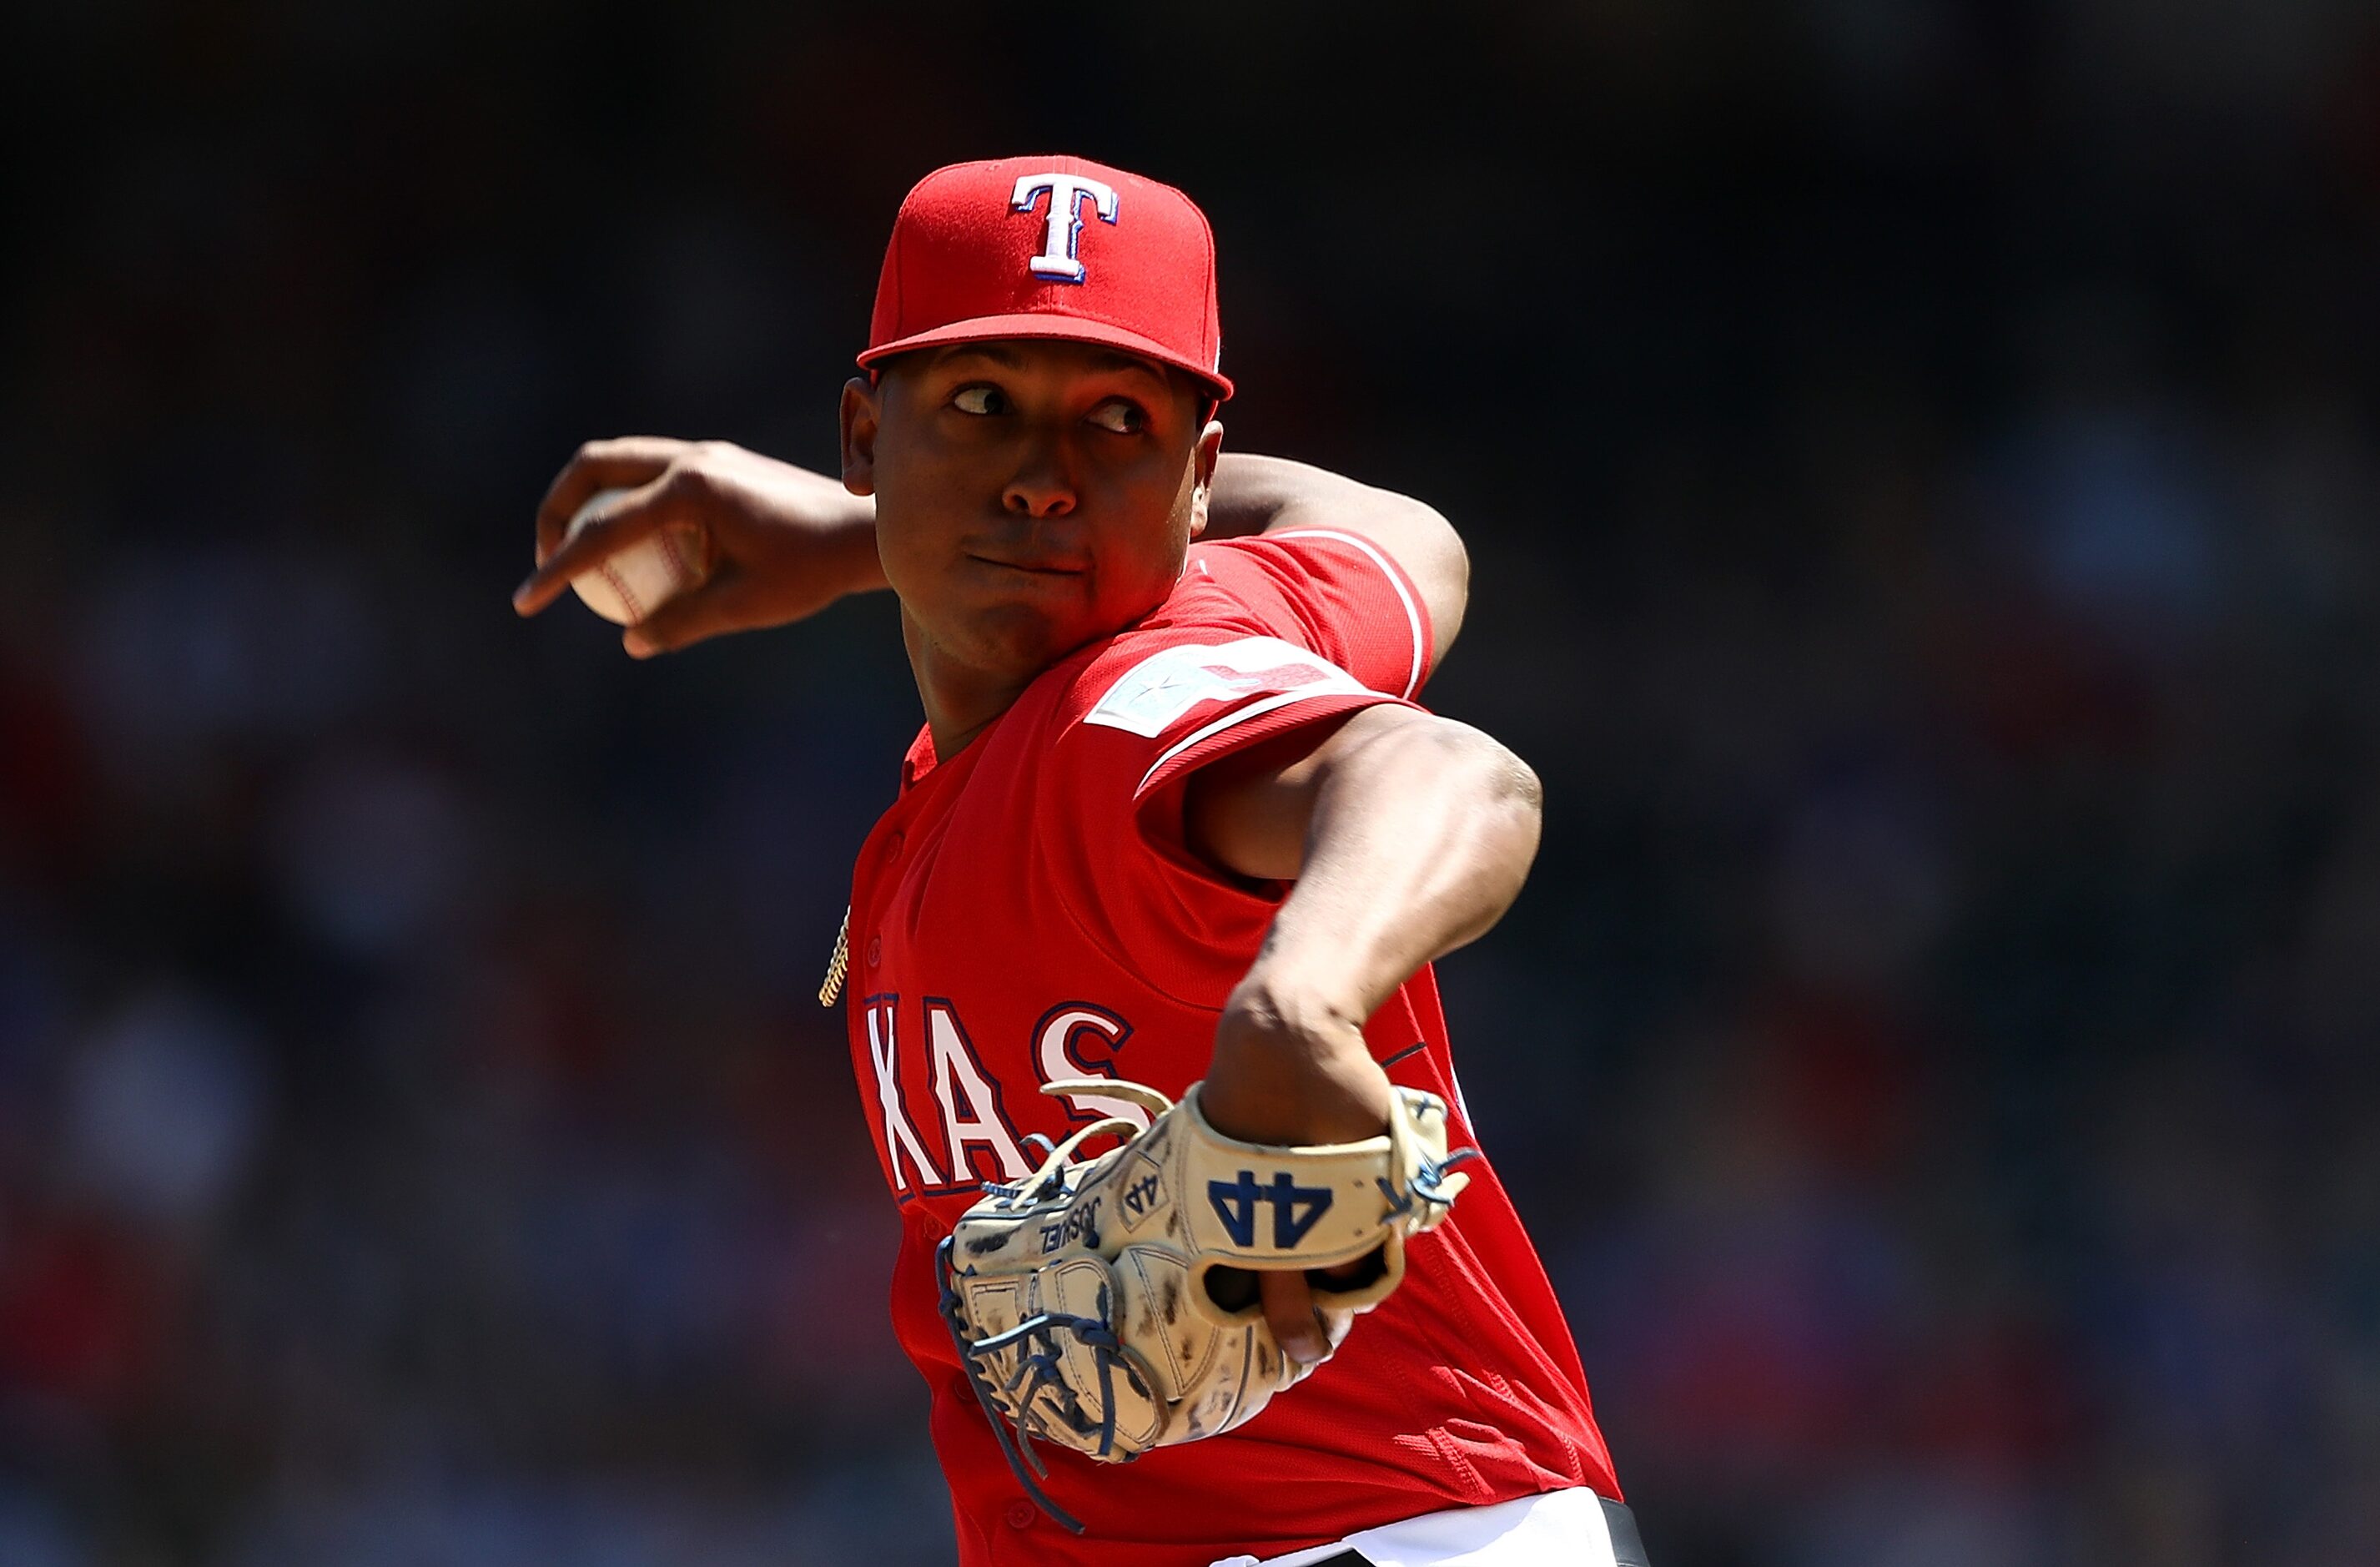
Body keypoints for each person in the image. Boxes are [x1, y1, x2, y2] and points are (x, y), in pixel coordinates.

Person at [515, 156, 1646, 1567]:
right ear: (864, 436)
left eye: (1117, 422)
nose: (1043, 482)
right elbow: (1405, 537)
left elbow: (1450, 772)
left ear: (1195, 473)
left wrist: (1303, 994)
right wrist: (853, 541)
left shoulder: (1121, 719)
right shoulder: (1234, 603)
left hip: (1363, 1538)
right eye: (981, 405)